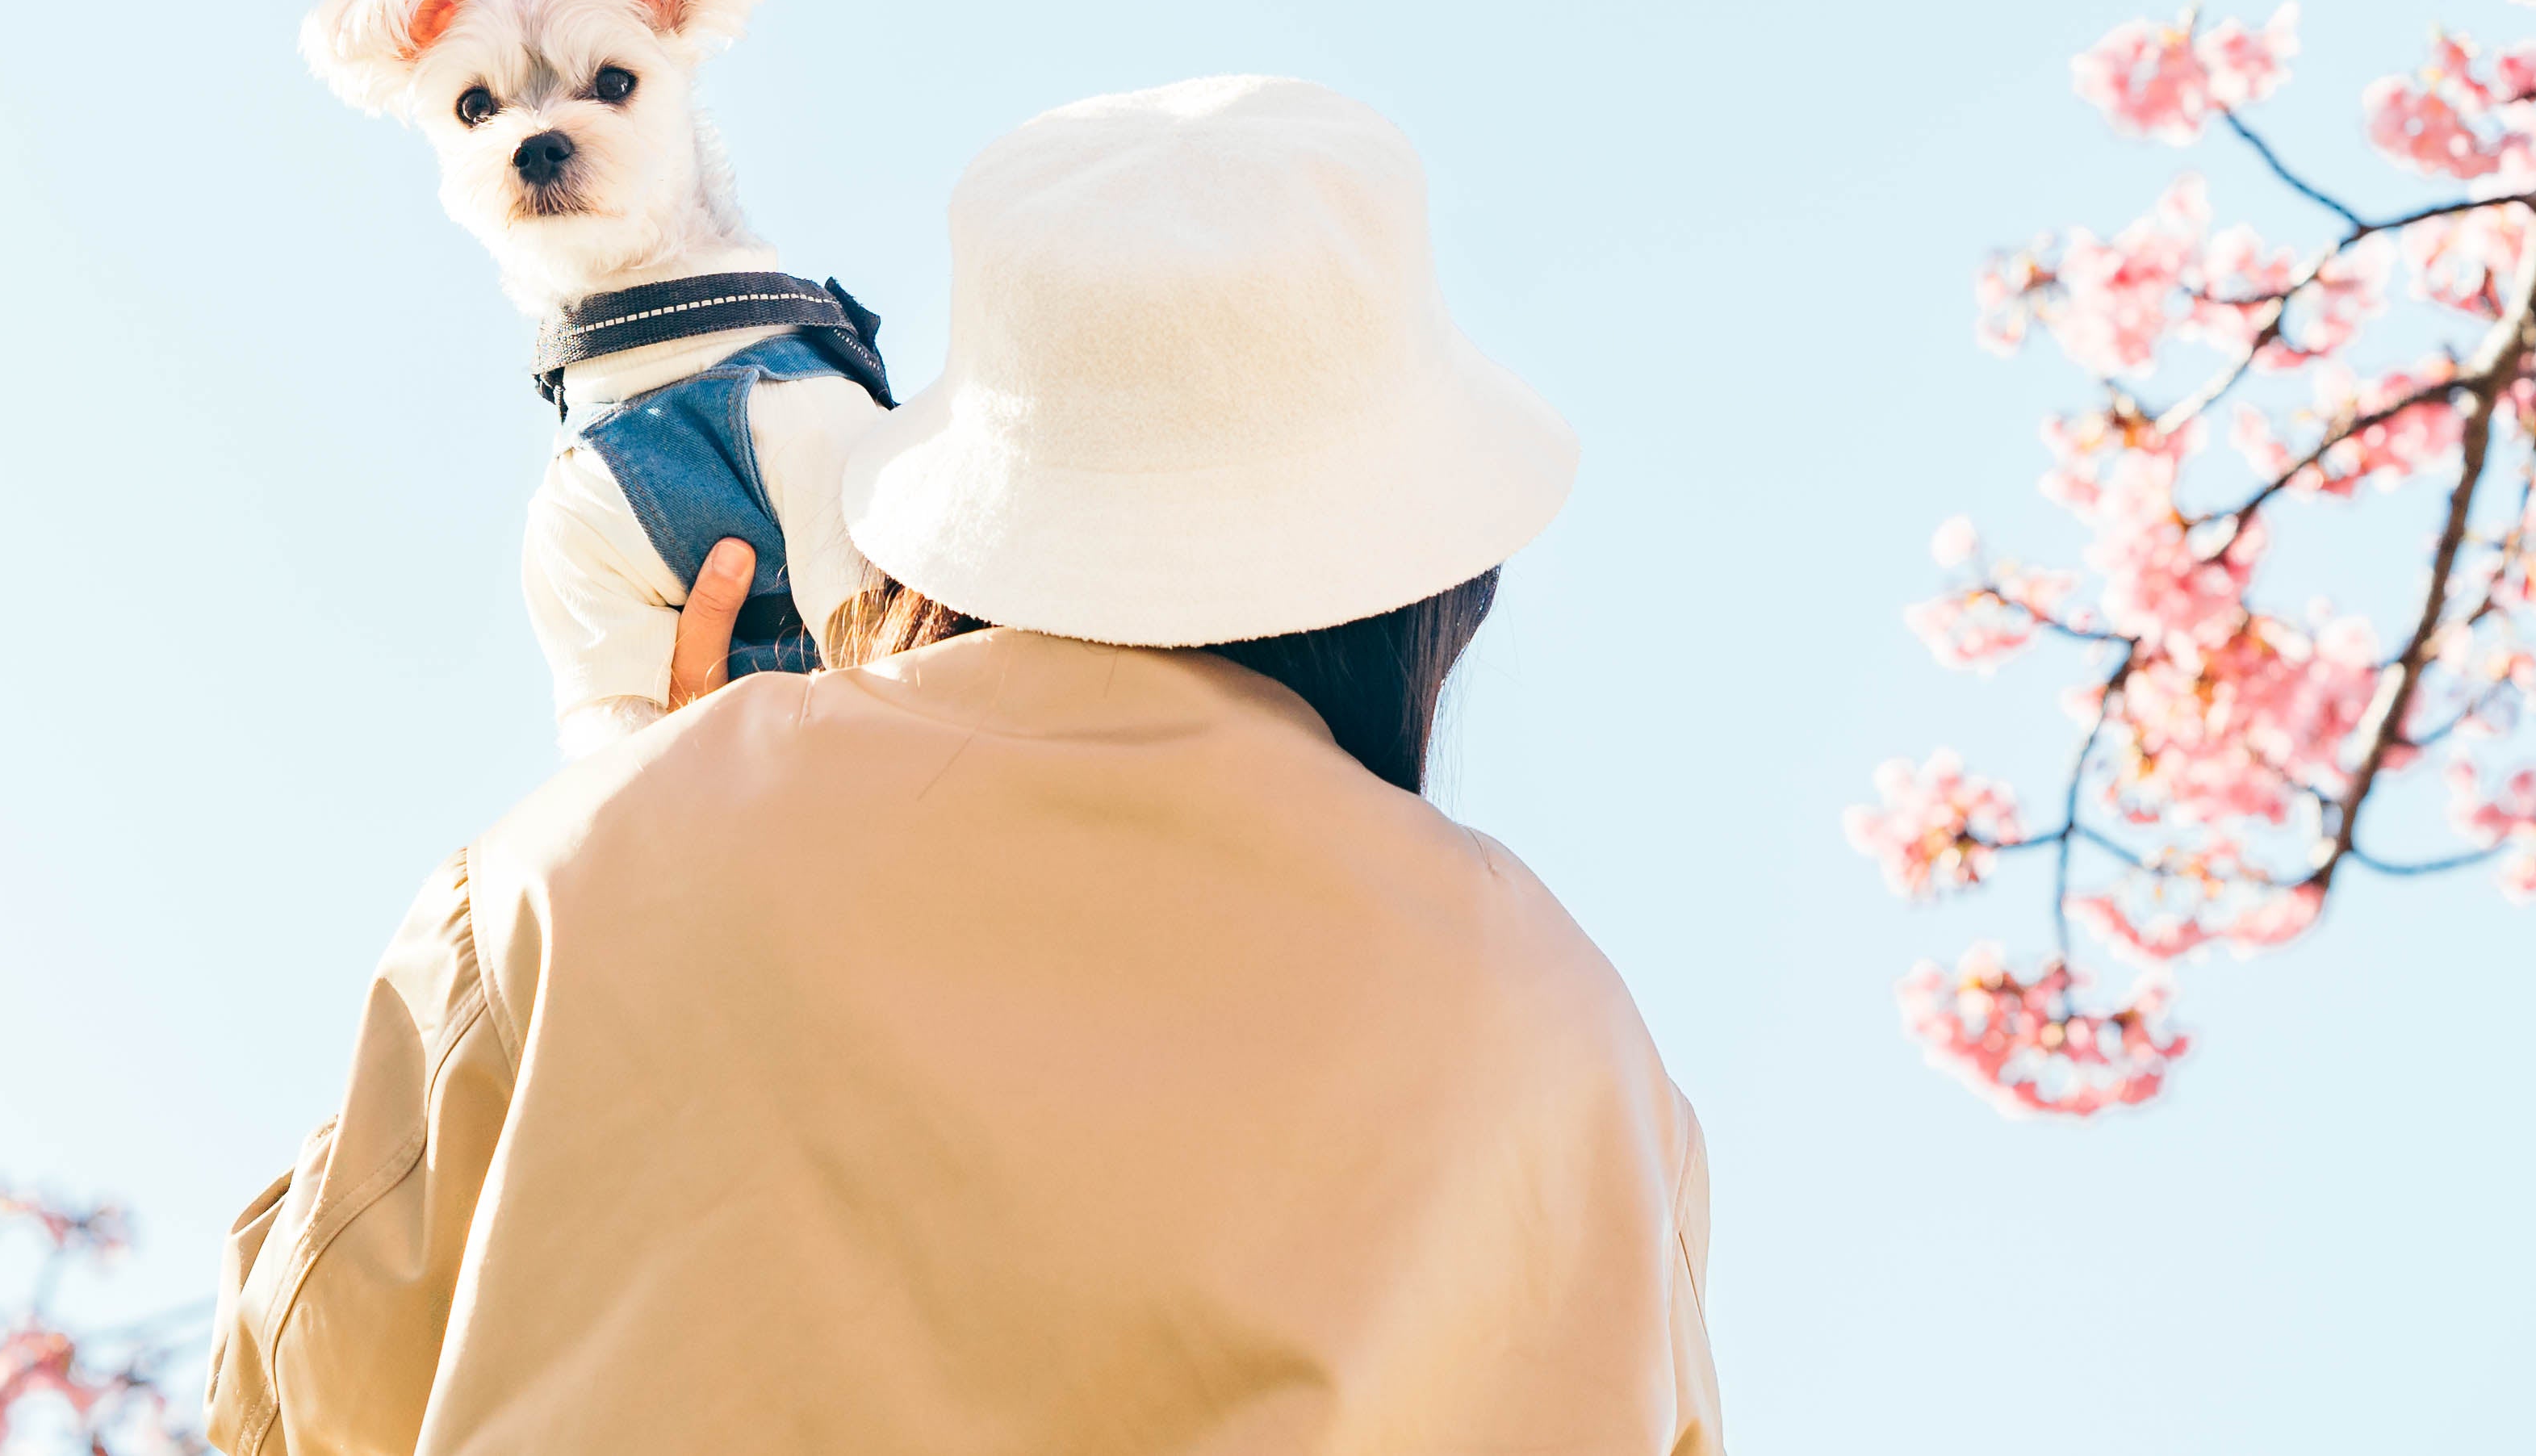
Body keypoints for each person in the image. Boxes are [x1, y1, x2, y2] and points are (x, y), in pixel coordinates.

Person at [204, 77, 1722, 1455]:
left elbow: (290, 1392)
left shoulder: (597, 851)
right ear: (1436, 582)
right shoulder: (1579, 1053)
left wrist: (671, 811)